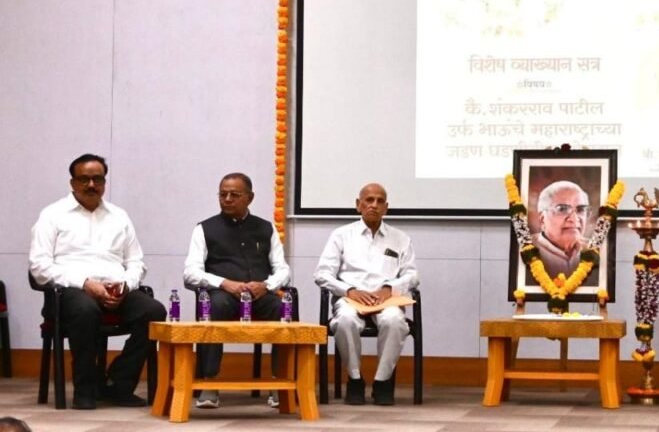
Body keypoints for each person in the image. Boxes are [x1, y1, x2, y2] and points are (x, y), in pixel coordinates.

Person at [29, 153, 167, 410]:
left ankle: (118, 382)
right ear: (72, 182)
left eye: (98, 179)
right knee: (85, 309)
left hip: (116, 289)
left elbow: (136, 261)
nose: (91, 185)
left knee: (153, 311)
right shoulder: (52, 215)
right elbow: (39, 267)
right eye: (84, 179)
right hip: (70, 292)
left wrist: (126, 285)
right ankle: (86, 388)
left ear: (104, 182)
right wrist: (85, 283)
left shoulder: (119, 216)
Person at [183, 172, 292, 409]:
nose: (227, 199)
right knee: (214, 306)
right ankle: (209, 381)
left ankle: (279, 381)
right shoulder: (204, 229)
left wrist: (267, 285)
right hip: (224, 294)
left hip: (259, 294)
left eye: (234, 195)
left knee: (282, 308)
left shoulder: (266, 228)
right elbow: (190, 273)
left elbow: (283, 269)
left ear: (250, 198)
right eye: (223, 195)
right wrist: (224, 283)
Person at [314, 183, 418, 406]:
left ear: (386, 207)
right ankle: (355, 379)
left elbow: (412, 275)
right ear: (358, 205)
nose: (374, 205)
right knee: (344, 320)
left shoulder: (400, 238)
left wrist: (389, 288)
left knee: (395, 321)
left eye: (380, 201)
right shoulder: (341, 235)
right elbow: (322, 274)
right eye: (369, 200)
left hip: (387, 299)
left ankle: (382, 381)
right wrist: (349, 290)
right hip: (351, 298)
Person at [531, 180, 591, 279]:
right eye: (562, 209)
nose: (574, 219)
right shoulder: (524, 248)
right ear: (542, 219)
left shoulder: (596, 250)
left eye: (581, 210)